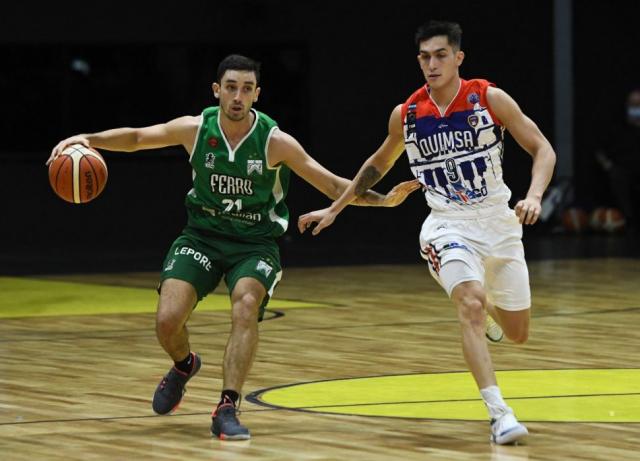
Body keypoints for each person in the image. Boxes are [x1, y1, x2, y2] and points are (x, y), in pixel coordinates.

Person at [47, 54, 420, 440]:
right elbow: (139, 138)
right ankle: (184, 364)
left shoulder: (276, 142)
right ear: (217, 91)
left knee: (245, 305)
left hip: (254, 244)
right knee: (167, 320)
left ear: (257, 94)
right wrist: (88, 139)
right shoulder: (195, 129)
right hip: (201, 237)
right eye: (230, 88)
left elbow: (330, 184)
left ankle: (227, 406)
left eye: (246, 89)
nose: (238, 96)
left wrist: (382, 201)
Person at [298, 21, 556, 445]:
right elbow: (376, 165)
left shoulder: (487, 98)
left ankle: (492, 312)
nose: (431, 64)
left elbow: (543, 148)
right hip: (446, 225)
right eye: (424, 57)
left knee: (518, 333)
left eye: (440, 55)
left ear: (458, 57)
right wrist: (335, 208)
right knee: (469, 304)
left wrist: (534, 196)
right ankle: (499, 414)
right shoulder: (408, 114)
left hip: (498, 222)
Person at [594, 88, 640, 233]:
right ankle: (627, 219)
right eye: (633, 105)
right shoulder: (616, 127)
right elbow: (599, 150)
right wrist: (608, 166)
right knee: (618, 177)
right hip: (621, 171)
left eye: (638, 105)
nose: (636, 109)